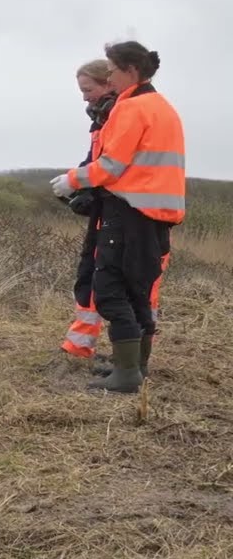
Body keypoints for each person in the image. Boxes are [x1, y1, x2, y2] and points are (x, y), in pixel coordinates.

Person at [51, 41, 185, 393]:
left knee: (110, 290)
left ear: (130, 70)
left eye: (111, 71)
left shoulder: (131, 109)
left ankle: (127, 374)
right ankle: (135, 366)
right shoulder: (164, 108)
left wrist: (71, 181)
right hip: (155, 213)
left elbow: (111, 165)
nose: (109, 77)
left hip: (129, 210)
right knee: (139, 291)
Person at [59, 60, 115, 361]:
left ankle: (128, 356)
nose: (84, 97)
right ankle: (80, 345)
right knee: (89, 276)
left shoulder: (119, 117)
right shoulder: (101, 119)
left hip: (120, 215)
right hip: (104, 211)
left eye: (88, 89)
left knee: (110, 280)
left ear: (108, 83)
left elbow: (113, 166)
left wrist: (80, 183)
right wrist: (79, 188)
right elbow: (93, 161)